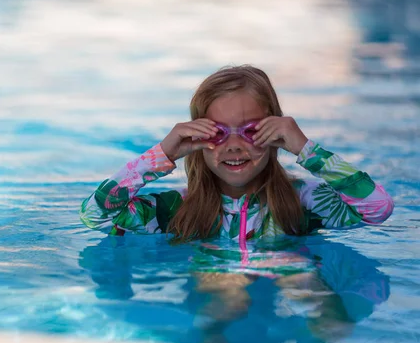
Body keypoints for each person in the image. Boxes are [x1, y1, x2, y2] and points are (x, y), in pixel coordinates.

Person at [79, 65, 394, 245]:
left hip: (281, 305)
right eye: (216, 132)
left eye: (251, 130)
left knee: (302, 282)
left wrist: (305, 149)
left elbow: (377, 208)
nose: (233, 145)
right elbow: (96, 215)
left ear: (276, 133)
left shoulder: (303, 202)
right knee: (224, 289)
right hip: (213, 309)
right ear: (196, 139)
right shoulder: (177, 208)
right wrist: (161, 155)